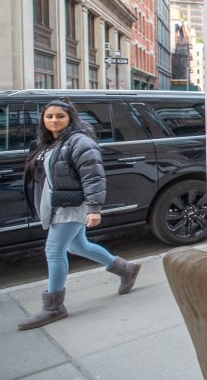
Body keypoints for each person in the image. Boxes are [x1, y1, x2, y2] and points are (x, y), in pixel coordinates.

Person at [18, 98, 141, 331]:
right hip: (59, 202)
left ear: (70, 118)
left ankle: (53, 306)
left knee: (54, 250)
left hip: (72, 204)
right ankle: (126, 268)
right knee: (78, 246)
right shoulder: (51, 142)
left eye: (60, 116)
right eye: (49, 116)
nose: (54, 120)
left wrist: (94, 208)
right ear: (43, 120)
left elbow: (93, 175)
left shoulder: (79, 141)